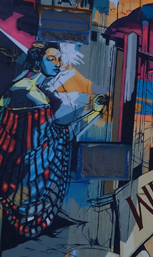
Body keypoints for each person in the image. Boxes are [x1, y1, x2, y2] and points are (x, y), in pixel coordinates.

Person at [0, 42, 107, 240]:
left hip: (25, 169)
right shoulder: (29, 92)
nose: (58, 64)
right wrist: (93, 112)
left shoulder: (30, 90)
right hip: (23, 170)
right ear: (37, 61)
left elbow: (55, 134)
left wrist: (93, 112)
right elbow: (53, 134)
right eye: (51, 59)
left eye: (59, 59)